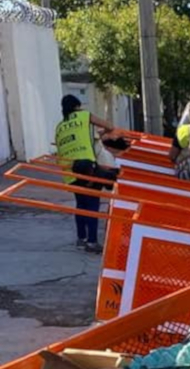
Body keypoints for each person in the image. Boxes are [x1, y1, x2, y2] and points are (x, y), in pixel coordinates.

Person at [55, 94, 119, 253]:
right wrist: (102, 132)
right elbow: (109, 126)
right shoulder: (84, 116)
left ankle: (81, 239)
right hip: (86, 167)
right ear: (77, 106)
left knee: (81, 204)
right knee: (92, 204)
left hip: (69, 172)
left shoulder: (60, 126)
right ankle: (92, 242)